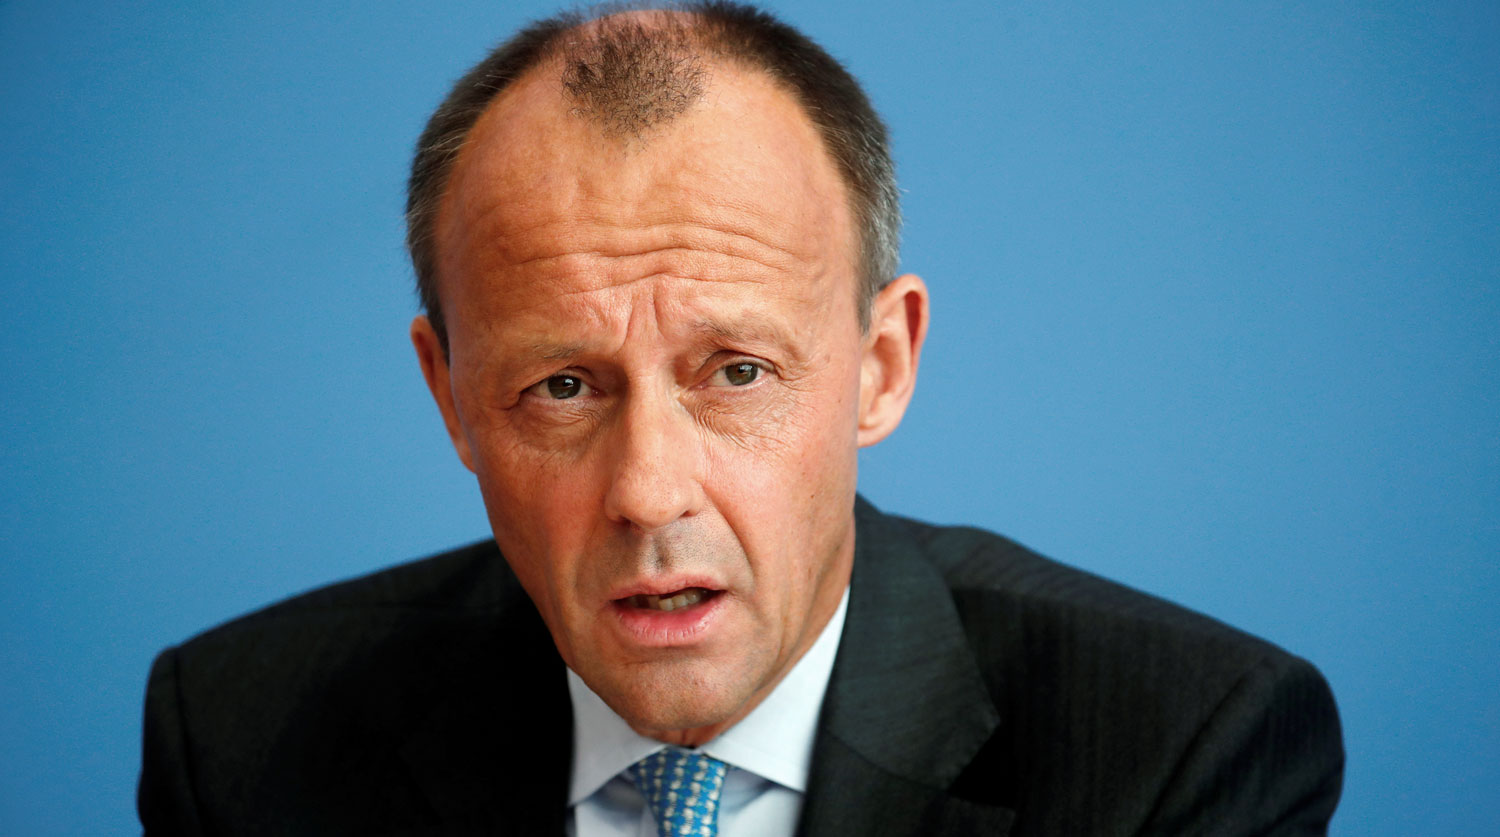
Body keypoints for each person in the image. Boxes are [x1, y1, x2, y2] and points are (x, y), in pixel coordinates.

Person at [138, 3, 1344, 835]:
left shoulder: (1179, 744)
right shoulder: (246, 740)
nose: (649, 492)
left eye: (737, 373)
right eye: (562, 386)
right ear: (450, 396)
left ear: (880, 366)